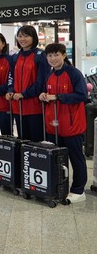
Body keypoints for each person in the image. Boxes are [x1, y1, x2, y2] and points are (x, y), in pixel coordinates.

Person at [39, 43, 88, 204]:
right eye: (49, 56)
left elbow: (81, 96)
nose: (53, 59)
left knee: (76, 159)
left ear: (64, 55)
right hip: (55, 126)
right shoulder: (50, 75)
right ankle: (59, 187)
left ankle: (78, 190)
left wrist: (58, 97)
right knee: (58, 159)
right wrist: (44, 96)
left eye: (56, 55)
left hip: (72, 126)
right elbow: (49, 94)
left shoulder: (74, 74)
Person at [5, 25, 49, 141]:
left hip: (34, 106)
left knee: (36, 141)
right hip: (17, 106)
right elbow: (11, 77)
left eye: (26, 36)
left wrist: (24, 94)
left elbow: (42, 82)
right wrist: (10, 91)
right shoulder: (15, 57)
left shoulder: (40, 55)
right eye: (19, 36)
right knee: (22, 140)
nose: (22, 39)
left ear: (33, 37)